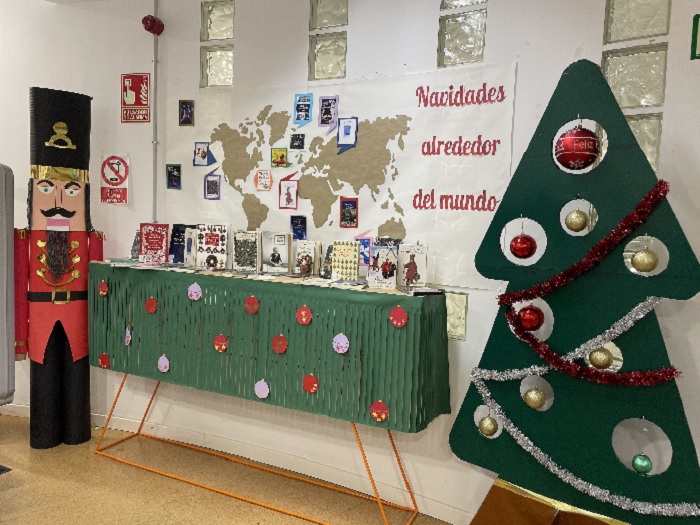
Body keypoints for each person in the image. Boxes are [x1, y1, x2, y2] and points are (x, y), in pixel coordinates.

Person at [15, 87, 103, 449]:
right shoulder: (24, 238)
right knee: (44, 378)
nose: (58, 201)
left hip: (77, 314)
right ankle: (45, 434)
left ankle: (77, 432)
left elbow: (99, 286)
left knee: (76, 378)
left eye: (71, 191)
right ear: (32, 192)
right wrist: (19, 337)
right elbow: (18, 287)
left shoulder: (91, 238)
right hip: (40, 317)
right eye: (47, 187)